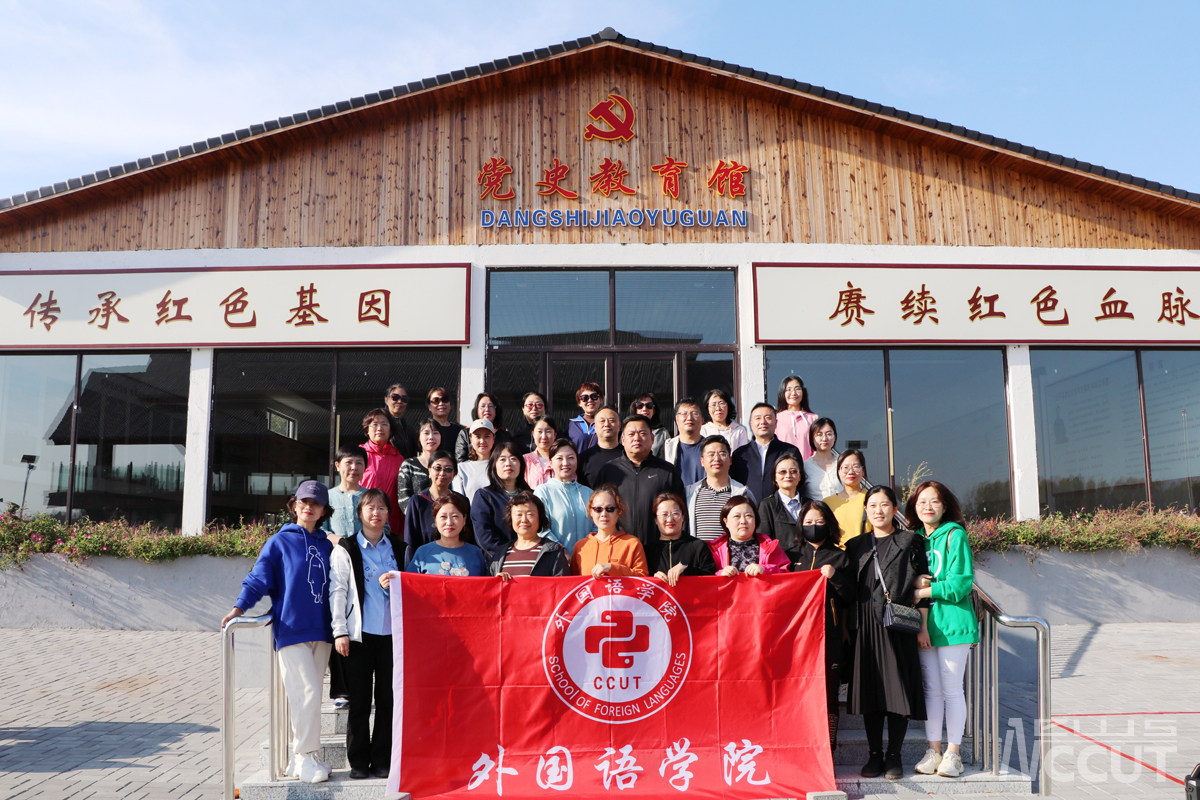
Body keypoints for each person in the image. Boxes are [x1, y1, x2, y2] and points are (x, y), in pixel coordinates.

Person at [221, 481, 335, 784]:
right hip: (291, 629)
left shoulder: (327, 545)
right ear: (294, 505)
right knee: (307, 692)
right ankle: (305, 757)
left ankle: (304, 757)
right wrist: (239, 608)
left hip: (322, 630)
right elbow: (259, 578)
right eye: (303, 501)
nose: (308, 507)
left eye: (315, 503)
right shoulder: (279, 542)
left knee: (309, 696)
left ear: (323, 511)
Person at [847, 485, 930, 781]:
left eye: (884, 505)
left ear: (895, 509)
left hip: (896, 626)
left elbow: (924, 584)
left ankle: (894, 755)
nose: (878, 510)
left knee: (898, 693)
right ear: (865, 510)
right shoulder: (855, 545)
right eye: (872, 505)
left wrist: (922, 627)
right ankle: (874, 755)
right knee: (871, 694)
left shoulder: (910, 541)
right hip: (865, 629)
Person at [328, 488, 404, 781]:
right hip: (358, 636)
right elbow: (338, 590)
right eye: (370, 508)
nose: (376, 513)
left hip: (391, 635)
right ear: (360, 513)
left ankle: (382, 760)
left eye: (381, 508)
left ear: (388, 514)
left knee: (387, 700)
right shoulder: (346, 548)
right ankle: (358, 762)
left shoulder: (399, 548)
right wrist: (339, 631)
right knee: (359, 702)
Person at [906, 481, 978, 779]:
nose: (928, 506)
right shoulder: (914, 539)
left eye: (934, 501)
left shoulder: (954, 534)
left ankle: (953, 754)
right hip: (925, 626)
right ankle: (933, 751)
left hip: (953, 625)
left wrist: (923, 591)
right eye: (922, 501)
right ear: (914, 507)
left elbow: (961, 583)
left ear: (945, 506)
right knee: (932, 692)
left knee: (951, 690)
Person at [792, 499, 855, 752]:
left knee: (828, 693)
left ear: (829, 525)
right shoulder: (792, 555)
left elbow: (851, 596)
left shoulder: (841, 557)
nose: (814, 526)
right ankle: (799, 747)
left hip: (830, 638)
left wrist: (835, 577)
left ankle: (828, 748)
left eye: (819, 522)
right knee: (797, 692)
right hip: (796, 640)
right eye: (808, 522)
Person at [596, 416, 685, 544]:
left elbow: (681, 509)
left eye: (642, 433)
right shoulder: (609, 470)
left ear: (652, 438)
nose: (637, 438)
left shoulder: (666, 471)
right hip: (618, 546)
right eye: (631, 434)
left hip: (659, 547)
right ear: (623, 439)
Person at [730, 403, 801, 508]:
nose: (763, 422)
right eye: (758, 418)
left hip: (782, 510)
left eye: (768, 417)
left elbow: (800, 484)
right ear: (751, 424)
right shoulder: (740, 454)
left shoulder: (790, 451)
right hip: (749, 511)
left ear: (776, 422)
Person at [571, 484, 649, 577]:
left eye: (610, 509)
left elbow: (643, 578)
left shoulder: (632, 543)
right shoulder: (580, 546)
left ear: (618, 511)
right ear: (591, 512)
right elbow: (573, 582)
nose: (604, 514)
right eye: (598, 509)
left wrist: (612, 568)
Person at [470, 441, 531, 560]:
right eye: (502, 459)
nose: (508, 464)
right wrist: (510, 557)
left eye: (513, 459)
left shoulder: (531, 495)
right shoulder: (484, 496)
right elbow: (485, 536)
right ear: (494, 465)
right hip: (499, 561)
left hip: (531, 559)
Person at [685, 435, 753, 542]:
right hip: (698, 552)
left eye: (722, 454)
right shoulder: (689, 493)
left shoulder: (743, 493)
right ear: (702, 461)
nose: (716, 459)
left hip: (730, 552)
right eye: (711, 454)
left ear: (730, 460)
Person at [406, 493, 489, 576]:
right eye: (443, 517)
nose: (449, 523)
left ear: (464, 519)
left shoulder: (475, 552)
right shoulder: (423, 552)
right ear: (435, 520)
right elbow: (409, 581)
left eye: (455, 516)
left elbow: (486, 582)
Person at [491, 491, 571, 577]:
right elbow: (488, 583)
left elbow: (562, 584)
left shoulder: (553, 552)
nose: (524, 520)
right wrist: (496, 581)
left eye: (530, 514)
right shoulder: (501, 553)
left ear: (540, 518)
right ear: (511, 519)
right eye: (519, 515)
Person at [534, 439, 592, 556]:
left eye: (571, 458)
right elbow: (541, 529)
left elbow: (597, 527)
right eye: (559, 458)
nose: (565, 463)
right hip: (556, 559)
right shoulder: (543, 492)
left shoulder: (588, 493)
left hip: (588, 558)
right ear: (550, 462)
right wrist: (562, 552)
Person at [645, 492, 717, 585]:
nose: (670, 519)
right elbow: (639, 580)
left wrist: (686, 569)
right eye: (664, 515)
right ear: (655, 519)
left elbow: (712, 578)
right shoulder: (647, 550)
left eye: (675, 514)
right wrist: (652, 579)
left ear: (683, 516)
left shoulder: (698, 546)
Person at [708, 495, 790, 576]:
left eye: (748, 516)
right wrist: (720, 575)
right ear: (726, 521)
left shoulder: (770, 547)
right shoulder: (712, 550)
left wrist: (765, 570)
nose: (743, 521)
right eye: (737, 516)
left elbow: (786, 575)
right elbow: (705, 577)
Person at [403, 451, 463, 557]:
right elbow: (410, 540)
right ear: (429, 470)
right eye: (437, 468)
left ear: (454, 473)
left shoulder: (461, 501)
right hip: (427, 560)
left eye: (448, 469)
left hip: (457, 559)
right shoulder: (418, 501)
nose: (442, 473)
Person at [360, 408, 405, 536]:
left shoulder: (399, 458)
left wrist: (402, 529)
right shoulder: (359, 455)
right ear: (367, 429)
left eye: (384, 424)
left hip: (392, 523)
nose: (380, 428)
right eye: (375, 424)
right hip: (364, 522)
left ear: (390, 430)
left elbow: (402, 495)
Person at [755, 453, 806, 558]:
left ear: (800, 476)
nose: (788, 475)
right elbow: (764, 542)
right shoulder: (767, 505)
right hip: (781, 562)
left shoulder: (810, 504)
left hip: (808, 562)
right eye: (783, 472)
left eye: (793, 471)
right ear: (775, 477)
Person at [824, 449, 870, 548]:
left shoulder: (871, 498)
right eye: (845, 467)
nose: (851, 472)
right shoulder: (827, 503)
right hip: (836, 556)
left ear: (863, 470)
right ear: (839, 471)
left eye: (856, 467)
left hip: (864, 553)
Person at [395, 418, 441, 513]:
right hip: (417, 518)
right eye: (426, 433)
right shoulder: (408, 465)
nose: (431, 437)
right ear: (419, 437)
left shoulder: (447, 465)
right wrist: (421, 516)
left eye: (435, 433)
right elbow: (403, 499)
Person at [324, 444, 368, 539]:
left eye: (359, 463)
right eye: (349, 462)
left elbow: (383, 528)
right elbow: (321, 529)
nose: (354, 467)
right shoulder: (327, 496)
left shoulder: (371, 497)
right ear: (337, 466)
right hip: (335, 548)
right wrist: (341, 542)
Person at [455, 393, 511, 462]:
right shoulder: (465, 434)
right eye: (483, 406)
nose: (487, 409)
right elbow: (461, 460)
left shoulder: (505, 435)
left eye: (491, 406)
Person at [661, 398, 706, 486]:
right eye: (684, 414)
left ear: (702, 420)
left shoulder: (711, 447)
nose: (689, 418)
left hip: (705, 494)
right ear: (677, 419)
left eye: (694, 413)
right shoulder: (667, 448)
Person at [451, 419, 496, 502]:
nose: (482, 441)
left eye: (487, 436)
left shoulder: (501, 466)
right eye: (478, 437)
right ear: (471, 439)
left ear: (493, 438)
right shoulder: (462, 468)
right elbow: (458, 501)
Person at [775, 375, 818, 459]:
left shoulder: (813, 418)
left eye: (797, 389)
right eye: (788, 389)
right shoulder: (776, 418)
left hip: (807, 466)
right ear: (783, 393)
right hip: (784, 465)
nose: (793, 393)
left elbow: (817, 448)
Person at [578, 407, 622, 486]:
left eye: (611, 420)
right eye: (602, 421)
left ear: (619, 426)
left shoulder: (629, 455)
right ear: (595, 427)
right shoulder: (584, 459)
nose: (607, 424)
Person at [803, 418, 843, 501]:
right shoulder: (805, 466)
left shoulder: (843, 463)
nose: (824, 438)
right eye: (819, 434)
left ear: (835, 437)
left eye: (829, 434)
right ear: (812, 438)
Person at [699, 388, 749, 452]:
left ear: (728, 406)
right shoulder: (702, 430)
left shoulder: (739, 431)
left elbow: (743, 454)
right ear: (708, 408)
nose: (718, 408)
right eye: (713, 404)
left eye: (721, 403)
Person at [628, 392, 670, 457]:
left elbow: (668, 456)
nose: (644, 409)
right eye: (640, 406)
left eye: (649, 406)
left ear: (654, 410)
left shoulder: (662, 434)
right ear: (635, 409)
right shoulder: (627, 431)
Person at [425, 387, 464, 454]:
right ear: (429, 406)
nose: (441, 403)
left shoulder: (459, 430)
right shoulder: (426, 430)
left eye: (445, 400)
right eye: (436, 400)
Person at [567, 382, 604, 452]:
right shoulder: (572, 424)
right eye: (585, 398)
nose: (590, 400)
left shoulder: (606, 423)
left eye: (594, 396)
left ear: (601, 399)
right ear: (579, 403)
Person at [522, 416, 558, 488]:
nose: (544, 437)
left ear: (554, 435)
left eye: (548, 431)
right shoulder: (524, 460)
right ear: (533, 434)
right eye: (539, 432)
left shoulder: (562, 460)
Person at [382, 383, 414, 458]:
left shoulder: (409, 430)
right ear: (386, 400)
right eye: (395, 397)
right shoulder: (381, 425)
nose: (399, 401)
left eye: (404, 399)